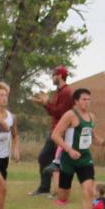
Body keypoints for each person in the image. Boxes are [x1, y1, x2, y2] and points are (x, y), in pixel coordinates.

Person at [52, 88, 99, 209]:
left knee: (88, 190)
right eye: (84, 99)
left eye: (89, 99)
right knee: (63, 196)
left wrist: (103, 142)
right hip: (68, 159)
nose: (87, 102)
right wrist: (70, 150)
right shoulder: (70, 115)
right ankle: (55, 172)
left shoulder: (91, 117)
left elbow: (92, 136)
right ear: (76, 101)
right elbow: (55, 135)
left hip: (85, 159)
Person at [28, 66, 75, 197]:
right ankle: (45, 188)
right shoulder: (59, 92)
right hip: (55, 130)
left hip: (61, 132)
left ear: (60, 75)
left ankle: (58, 189)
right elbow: (53, 111)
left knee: (57, 162)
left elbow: (60, 113)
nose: (52, 77)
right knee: (45, 158)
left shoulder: (66, 92)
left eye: (54, 74)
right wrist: (45, 103)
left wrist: (45, 103)